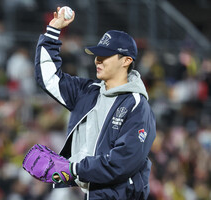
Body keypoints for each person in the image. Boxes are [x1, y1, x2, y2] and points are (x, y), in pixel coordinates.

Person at [34, 7, 156, 199]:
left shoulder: (137, 105)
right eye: (97, 54)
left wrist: (73, 168)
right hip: (92, 193)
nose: (97, 60)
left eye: (105, 55)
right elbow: (49, 78)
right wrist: (53, 31)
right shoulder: (88, 92)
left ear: (126, 60)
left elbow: (122, 163)